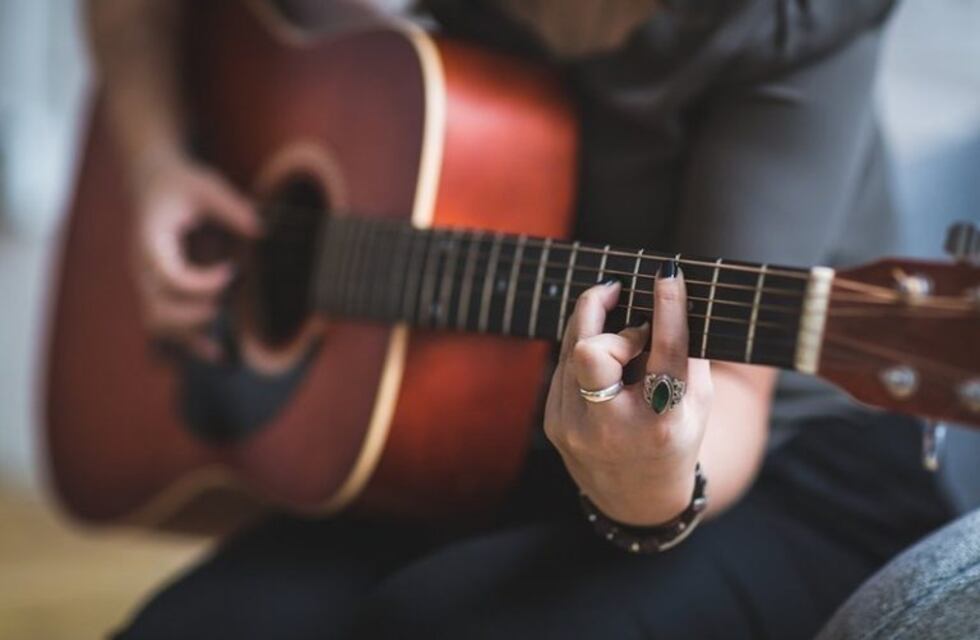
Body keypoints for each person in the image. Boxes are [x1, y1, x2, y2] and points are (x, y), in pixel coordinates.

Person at [86, 1, 954, 638]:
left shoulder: (790, 19)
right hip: (481, 435)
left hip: (782, 473)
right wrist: (155, 158)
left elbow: (728, 391)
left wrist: (646, 484)